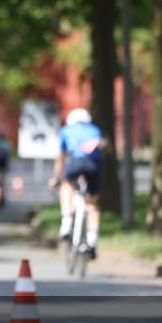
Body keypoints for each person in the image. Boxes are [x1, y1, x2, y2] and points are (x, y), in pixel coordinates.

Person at [49, 108, 106, 259]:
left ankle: (67, 221)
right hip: (94, 165)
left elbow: (61, 157)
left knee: (67, 185)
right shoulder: (95, 129)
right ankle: (92, 241)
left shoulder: (66, 130)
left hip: (76, 162)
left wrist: (56, 178)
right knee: (92, 204)